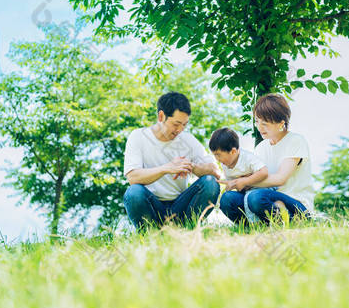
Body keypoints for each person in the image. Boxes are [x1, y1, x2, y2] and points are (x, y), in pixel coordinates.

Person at [123, 92, 220, 229]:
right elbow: (133, 177)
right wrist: (167, 168)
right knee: (133, 192)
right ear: (161, 116)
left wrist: (190, 166)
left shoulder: (188, 140)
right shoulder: (138, 136)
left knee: (210, 183)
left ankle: (189, 229)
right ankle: (150, 233)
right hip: (152, 205)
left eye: (184, 125)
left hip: (181, 206)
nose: (180, 130)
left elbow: (215, 172)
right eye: (176, 124)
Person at [219, 94, 314, 225]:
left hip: (296, 205)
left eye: (265, 123)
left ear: (281, 124)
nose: (259, 127)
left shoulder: (295, 141)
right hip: (266, 201)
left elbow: (280, 179)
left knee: (256, 197)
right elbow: (256, 178)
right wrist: (242, 181)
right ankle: (254, 226)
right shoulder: (261, 147)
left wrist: (246, 181)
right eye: (257, 121)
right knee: (228, 198)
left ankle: (295, 222)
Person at [208, 127, 270, 222]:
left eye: (218, 155)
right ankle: (245, 225)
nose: (217, 159)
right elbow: (234, 183)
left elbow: (264, 171)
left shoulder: (247, 158)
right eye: (214, 155)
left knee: (253, 199)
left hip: (259, 193)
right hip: (243, 194)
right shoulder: (225, 165)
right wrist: (230, 185)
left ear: (233, 151)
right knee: (226, 198)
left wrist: (245, 181)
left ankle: (262, 222)